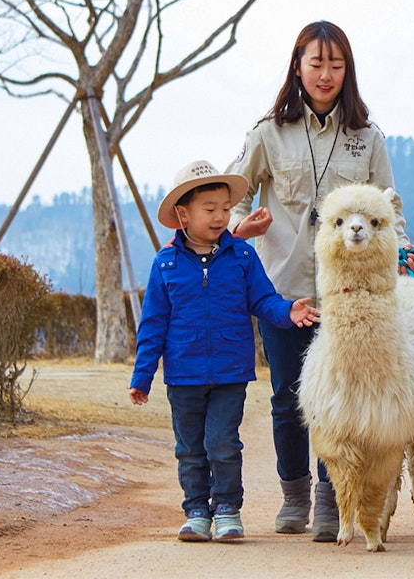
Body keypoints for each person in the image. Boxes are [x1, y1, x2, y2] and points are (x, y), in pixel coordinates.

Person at [226, 20, 412, 542]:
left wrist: (402, 250)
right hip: (282, 290)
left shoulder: (368, 138)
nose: (325, 74)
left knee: (344, 400)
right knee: (287, 396)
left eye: (336, 65)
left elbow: (389, 210)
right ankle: (295, 494)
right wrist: (243, 227)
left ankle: (335, 500)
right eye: (316, 63)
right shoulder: (267, 133)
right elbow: (233, 194)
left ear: (347, 71)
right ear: (297, 66)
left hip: (350, 298)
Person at [129, 160, 320, 543]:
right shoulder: (164, 264)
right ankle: (197, 510)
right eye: (210, 209)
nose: (221, 217)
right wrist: (142, 377)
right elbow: (152, 325)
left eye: (225, 208)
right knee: (190, 448)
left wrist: (288, 310)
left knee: (223, 443)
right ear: (183, 214)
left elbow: (264, 301)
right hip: (183, 376)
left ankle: (228, 508)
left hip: (231, 373)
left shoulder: (243, 257)